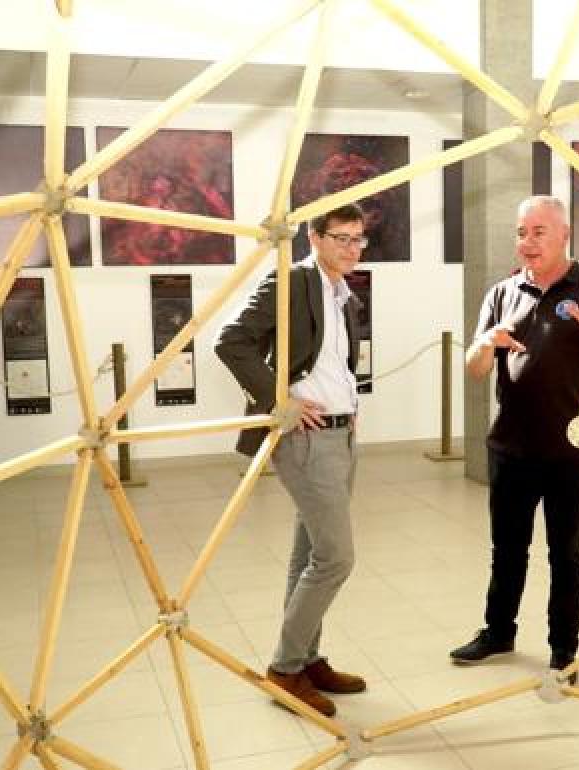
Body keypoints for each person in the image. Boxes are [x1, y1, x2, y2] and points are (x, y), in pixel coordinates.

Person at [451, 195, 579, 675]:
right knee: (507, 549)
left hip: (570, 450)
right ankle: (498, 633)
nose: (527, 242)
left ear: (563, 235)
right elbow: (474, 370)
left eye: (538, 232)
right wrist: (485, 343)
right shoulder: (501, 292)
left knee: (566, 554)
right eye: (520, 232)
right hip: (509, 447)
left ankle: (563, 647)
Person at [215, 203, 369, 717]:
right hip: (304, 439)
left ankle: (306, 659)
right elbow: (231, 341)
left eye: (358, 239)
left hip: (340, 435)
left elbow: (335, 365)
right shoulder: (292, 281)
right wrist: (277, 402)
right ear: (315, 237)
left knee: (309, 555)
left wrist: (349, 410)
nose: (351, 248)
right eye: (341, 238)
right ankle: (284, 671)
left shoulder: (345, 294)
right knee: (336, 557)